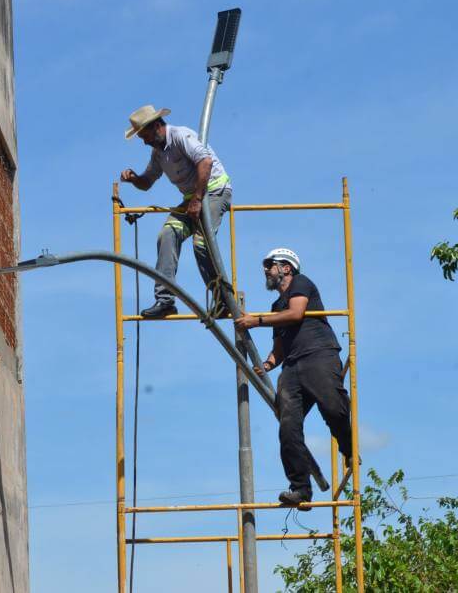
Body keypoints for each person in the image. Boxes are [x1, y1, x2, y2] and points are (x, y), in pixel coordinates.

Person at [235, 247, 353, 505]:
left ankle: (349, 448)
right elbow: (279, 348)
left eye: (270, 264)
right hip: (292, 367)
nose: (266, 269)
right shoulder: (276, 305)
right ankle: (300, 488)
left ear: (286, 268)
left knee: (334, 409)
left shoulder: (301, 283)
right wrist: (267, 364)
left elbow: (296, 313)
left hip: (318, 355)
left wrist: (257, 320)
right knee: (288, 428)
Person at [120, 104, 232, 318]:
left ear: (157, 126)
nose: (144, 142)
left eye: (145, 136)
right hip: (193, 199)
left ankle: (223, 299)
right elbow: (147, 182)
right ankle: (165, 300)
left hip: (214, 190)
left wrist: (198, 199)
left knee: (201, 243)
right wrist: (134, 178)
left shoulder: (181, 135)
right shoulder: (158, 153)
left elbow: (205, 163)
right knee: (168, 234)